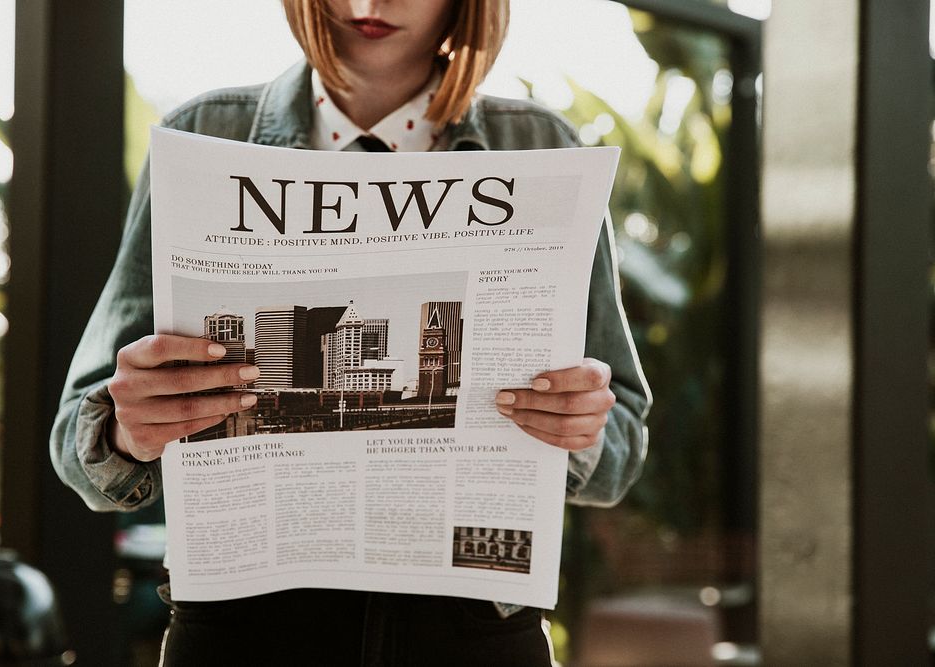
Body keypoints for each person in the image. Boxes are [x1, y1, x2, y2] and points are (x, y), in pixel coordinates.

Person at [51, 1, 650, 664]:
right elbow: (76, 446)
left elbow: (621, 445)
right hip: (243, 634)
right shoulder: (205, 135)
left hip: (474, 634)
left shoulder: (542, 149)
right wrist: (126, 428)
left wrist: (583, 422)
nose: (368, 4)